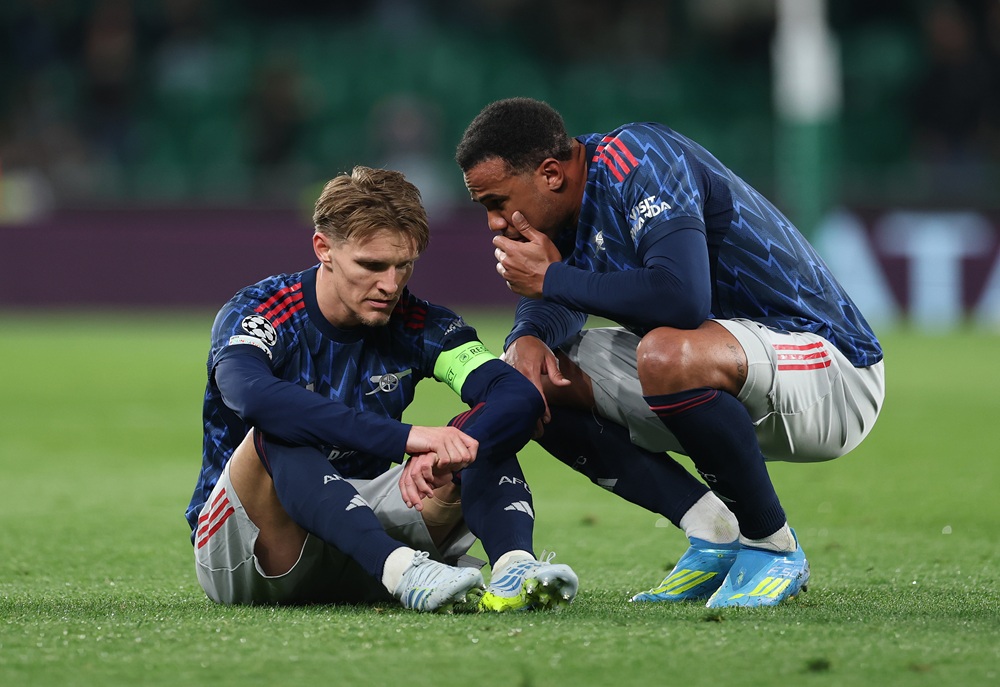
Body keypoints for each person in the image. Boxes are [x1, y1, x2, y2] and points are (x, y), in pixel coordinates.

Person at [455, 98, 885, 608]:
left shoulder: (640, 159)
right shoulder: (562, 210)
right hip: (725, 368)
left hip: (830, 371)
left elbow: (681, 298)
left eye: (496, 202)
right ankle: (714, 533)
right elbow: (571, 299)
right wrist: (525, 338)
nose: (494, 223)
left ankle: (772, 545)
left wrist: (550, 278)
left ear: (550, 174)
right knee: (530, 380)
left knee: (665, 353)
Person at [185, 165, 578, 612]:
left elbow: (516, 396)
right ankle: (402, 572)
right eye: (371, 266)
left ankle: (513, 568)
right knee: (278, 429)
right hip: (253, 550)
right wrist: (407, 438)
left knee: (476, 436)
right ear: (324, 248)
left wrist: (449, 446)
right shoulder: (263, 312)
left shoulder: (419, 322)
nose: (390, 285)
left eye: (403, 266)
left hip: (360, 534)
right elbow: (251, 395)